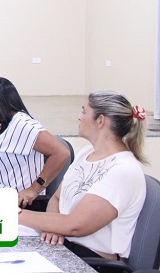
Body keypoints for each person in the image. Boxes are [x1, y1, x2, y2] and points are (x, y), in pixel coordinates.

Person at [20, 91, 147, 261]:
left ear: (100, 121)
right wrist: (54, 227)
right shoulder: (86, 153)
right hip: (64, 246)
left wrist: (13, 214)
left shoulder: (123, 170)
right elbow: (57, 199)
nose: (79, 117)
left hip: (92, 260)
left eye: (84, 111)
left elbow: (75, 226)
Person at [0, 77, 70, 210]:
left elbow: (62, 153)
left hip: (23, 204)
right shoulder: (1, 123)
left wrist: (34, 189)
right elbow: (8, 152)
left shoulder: (23, 125)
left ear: (0, 101)